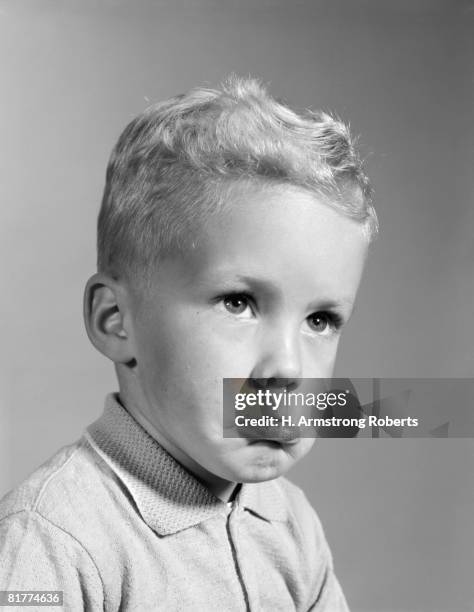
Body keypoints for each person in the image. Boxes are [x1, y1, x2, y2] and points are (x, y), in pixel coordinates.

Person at [0, 76, 377, 611]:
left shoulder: (290, 523)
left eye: (320, 320)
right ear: (115, 321)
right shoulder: (52, 541)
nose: (288, 368)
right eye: (238, 303)